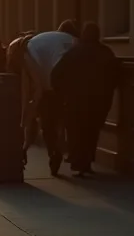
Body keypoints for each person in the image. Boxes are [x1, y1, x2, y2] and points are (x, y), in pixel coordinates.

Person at [52, 22, 121, 177]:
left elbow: (56, 74)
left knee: (76, 131)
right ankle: (87, 162)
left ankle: (78, 161)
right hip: (99, 101)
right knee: (92, 132)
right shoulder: (106, 52)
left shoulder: (73, 53)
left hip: (75, 100)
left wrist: (62, 93)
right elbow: (115, 75)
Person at [20, 20, 80, 175]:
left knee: (47, 123)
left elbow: (35, 88)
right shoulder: (73, 40)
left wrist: (26, 116)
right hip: (69, 85)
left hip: (49, 88)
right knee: (62, 120)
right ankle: (62, 147)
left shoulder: (29, 48)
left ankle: (54, 150)